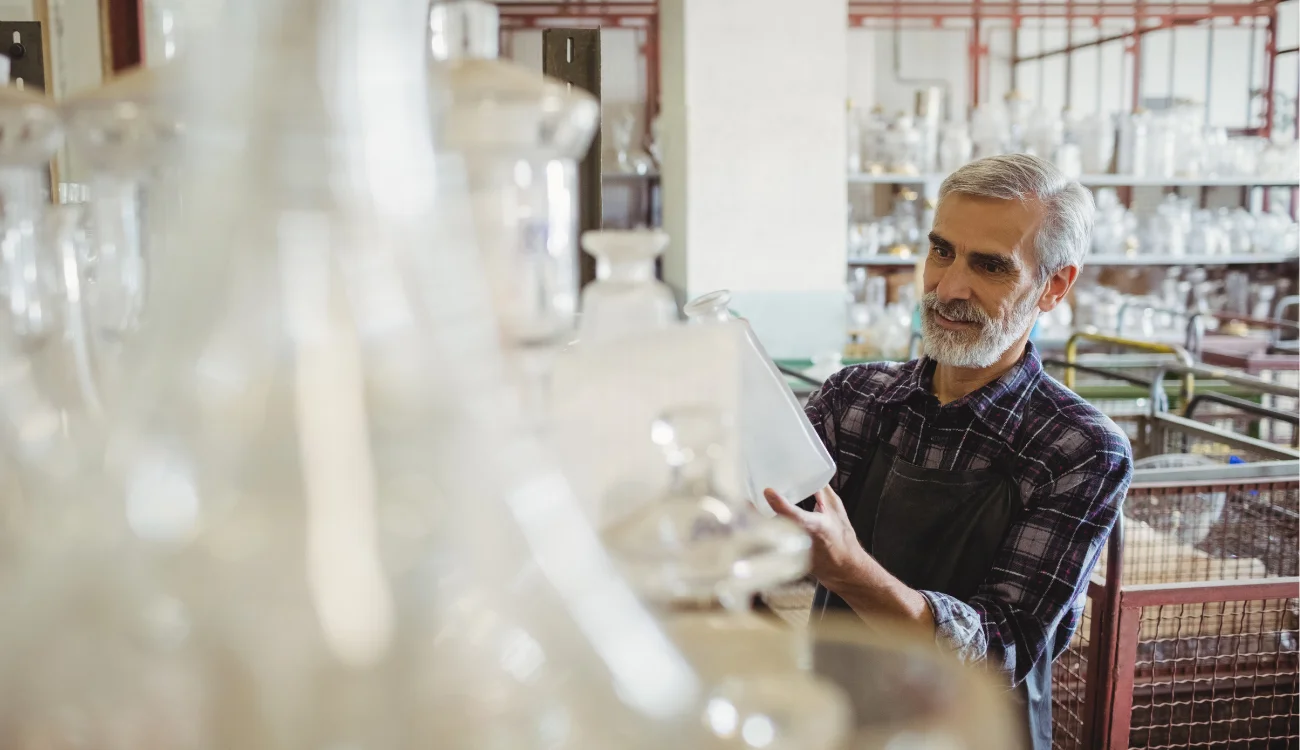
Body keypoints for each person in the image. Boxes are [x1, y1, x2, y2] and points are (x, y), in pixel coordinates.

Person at [763, 154, 1133, 750]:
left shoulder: (1080, 449)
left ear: (1054, 286)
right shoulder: (855, 398)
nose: (948, 288)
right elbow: (762, 526)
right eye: (942, 252)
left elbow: (998, 649)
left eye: (989, 266)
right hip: (840, 724)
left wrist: (850, 571)